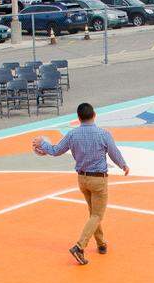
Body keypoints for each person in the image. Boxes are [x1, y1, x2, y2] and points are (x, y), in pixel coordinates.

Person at [32, 102, 130, 265]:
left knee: (93, 212)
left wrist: (41, 143)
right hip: (99, 180)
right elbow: (114, 153)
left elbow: (55, 150)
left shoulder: (72, 135)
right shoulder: (103, 134)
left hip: (82, 180)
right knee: (98, 214)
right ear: (94, 115)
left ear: (78, 118)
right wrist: (123, 165)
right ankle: (79, 246)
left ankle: (101, 244)